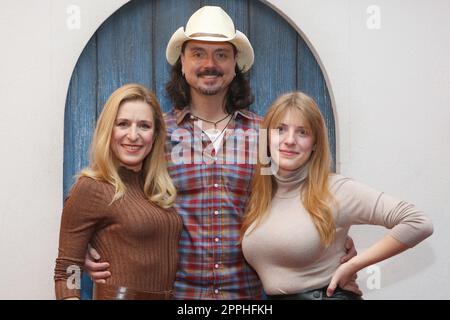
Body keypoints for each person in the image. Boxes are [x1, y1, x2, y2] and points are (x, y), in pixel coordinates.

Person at [84, 6, 357, 299]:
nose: (209, 64)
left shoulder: (265, 135)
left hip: (246, 297)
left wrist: (333, 237)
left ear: (235, 63)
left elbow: (299, 198)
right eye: (198, 53)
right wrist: (91, 236)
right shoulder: (157, 132)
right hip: (176, 295)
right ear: (182, 62)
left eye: (221, 54)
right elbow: (106, 184)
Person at [241, 91, 434, 300]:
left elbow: (418, 222)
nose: (289, 140)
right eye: (280, 129)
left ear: (315, 143)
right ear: (267, 136)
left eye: (302, 132)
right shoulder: (262, 195)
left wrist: (352, 266)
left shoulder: (335, 190)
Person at [54, 83, 182, 300]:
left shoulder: (155, 190)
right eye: (123, 124)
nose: (133, 135)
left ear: (155, 134)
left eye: (144, 126)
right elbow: (67, 269)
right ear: (108, 129)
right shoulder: (91, 187)